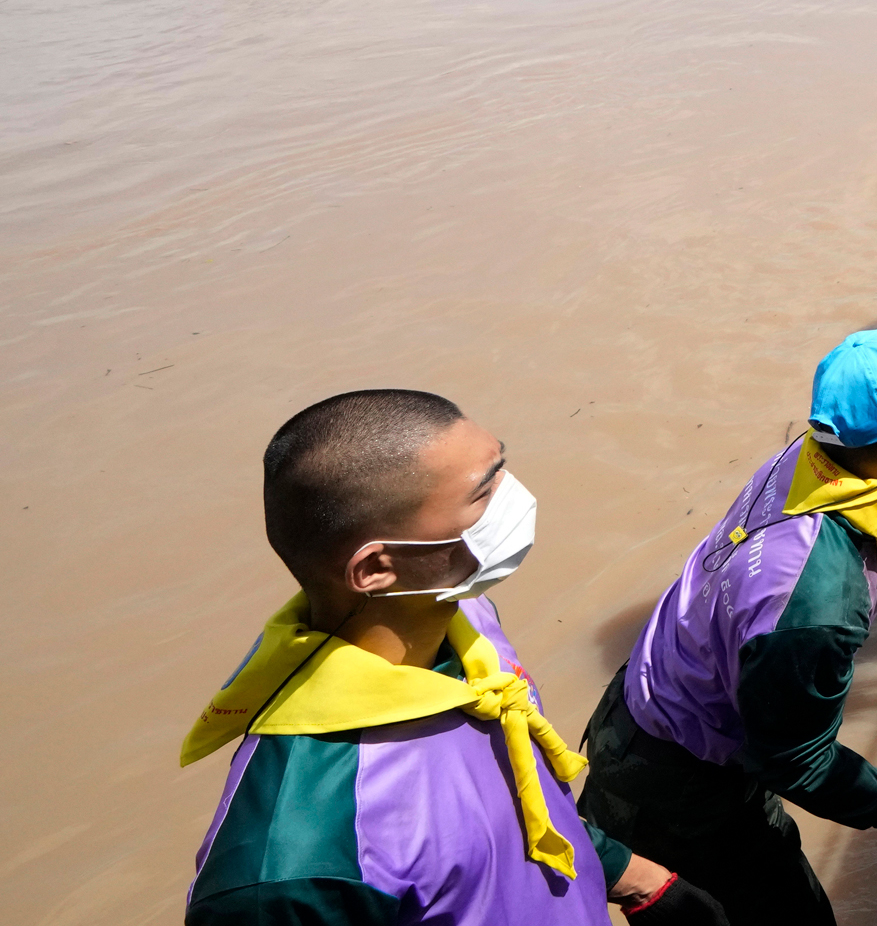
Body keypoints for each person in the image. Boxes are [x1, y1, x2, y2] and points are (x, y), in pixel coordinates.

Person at [184, 389, 723, 924]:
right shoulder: (292, 867)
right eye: (484, 494)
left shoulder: (469, 623)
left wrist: (630, 875)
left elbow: (508, 796)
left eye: (501, 470)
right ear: (376, 569)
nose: (514, 499)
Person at [578, 327, 877, 926]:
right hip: (676, 782)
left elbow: (870, 557)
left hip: (659, 696)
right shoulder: (817, 608)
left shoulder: (813, 464)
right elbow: (800, 763)